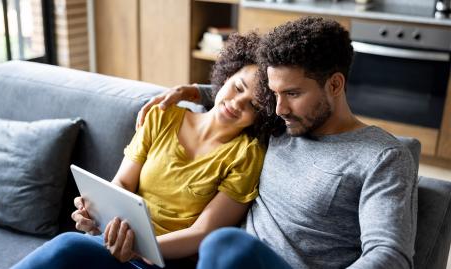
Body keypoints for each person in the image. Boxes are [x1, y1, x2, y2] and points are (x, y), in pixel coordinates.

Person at [138, 17, 418, 269]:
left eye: (293, 93)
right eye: (273, 94)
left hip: (243, 255)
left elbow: (389, 255)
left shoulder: (383, 157)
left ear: (334, 85)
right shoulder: (279, 127)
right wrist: (190, 92)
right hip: (232, 262)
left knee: (225, 243)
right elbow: (237, 99)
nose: (279, 108)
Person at [12, 32, 278, 269]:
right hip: (115, 246)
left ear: (261, 117)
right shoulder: (162, 116)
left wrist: (137, 249)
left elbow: (203, 232)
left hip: (162, 260)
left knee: (69, 247)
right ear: (227, 75)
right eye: (238, 87)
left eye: (254, 106)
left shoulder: (247, 155)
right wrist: (97, 212)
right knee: (67, 244)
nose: (237, 103)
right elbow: (123, 183)